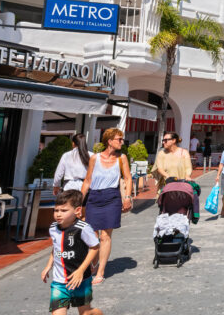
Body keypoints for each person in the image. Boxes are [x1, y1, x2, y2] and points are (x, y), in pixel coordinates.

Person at [80, 128, 132, 285]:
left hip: (112, 198)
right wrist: (78, 202)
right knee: (92, 235)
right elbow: (87, 180)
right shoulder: (94, 158)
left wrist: (127, 197)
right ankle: (94, 262)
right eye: (119, 139)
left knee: (105, 236)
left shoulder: (122, 158)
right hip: (94, 198)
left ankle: (100, 272)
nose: (122, 142)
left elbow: (128, 178)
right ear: (109, 141)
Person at [42, 190, 102, 315]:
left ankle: (96, 313)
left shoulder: (83, 228)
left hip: (81, 280)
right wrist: (48, 265)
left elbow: (95, 247)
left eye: (64, 211)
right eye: (56, 210)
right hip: (59, 282)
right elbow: (56, 247)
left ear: (77, 211)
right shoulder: (53, 228)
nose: (58, 214)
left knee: (85, 313)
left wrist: (81, 270)